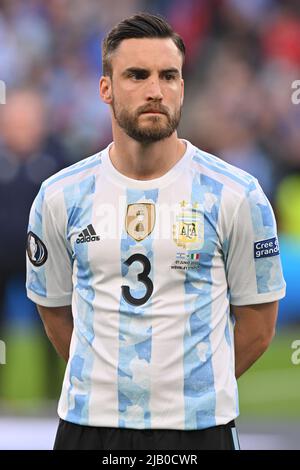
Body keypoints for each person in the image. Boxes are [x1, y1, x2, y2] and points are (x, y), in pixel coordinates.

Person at [26, 13, 286, 450]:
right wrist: (113, 387)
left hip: (199, 431)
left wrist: (190, 391)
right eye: (136, 75)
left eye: (169, 76)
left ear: (182, 86)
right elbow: (54, 311)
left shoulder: (236, 195)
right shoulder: (61, 197)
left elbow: (259, 327)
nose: (155, 90)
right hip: (89, 428)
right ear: (105, 87)